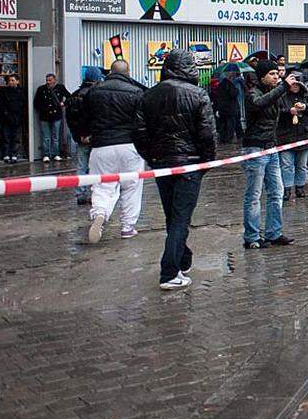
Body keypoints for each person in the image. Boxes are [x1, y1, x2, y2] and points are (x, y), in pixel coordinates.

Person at [133, 50, 216, 291]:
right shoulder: (198, 94)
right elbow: (208, 133)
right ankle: (169, 272)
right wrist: (206, 162)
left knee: (174, 216)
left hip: (162, 164)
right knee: (180, 218)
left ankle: (182, 258)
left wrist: (152, 157)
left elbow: (139, 132)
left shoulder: (149, 95)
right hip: (190, 163)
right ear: (191, 68)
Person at [85, 60, 147, 243]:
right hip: (129, 145)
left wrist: (86, 134)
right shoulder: (136, 92)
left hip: (101, 146)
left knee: (102, 185)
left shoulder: (94, 91)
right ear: (128, 72)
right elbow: (142, 122)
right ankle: (128, 227)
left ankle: (100, 213)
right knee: (132, 186)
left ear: (110, 72)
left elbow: (84, 116)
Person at [242, 60, 297, 248]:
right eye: (272, 74)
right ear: (262, 76)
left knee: (276, 191)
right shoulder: (252, 93)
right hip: (255, 148)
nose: (276, 77)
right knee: (254, 194)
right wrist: (282, 88)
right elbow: (259, 104)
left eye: (277, 74)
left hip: (272, 147)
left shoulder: (275, 92)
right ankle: (252, 237)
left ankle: (274, 232)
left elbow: (279, 108)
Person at [277, 70, 308, 200]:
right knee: (286, 164)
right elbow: (276, 112)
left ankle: (300, 187)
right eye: (292, 84)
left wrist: (305, 107)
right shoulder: (282, 96)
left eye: (297, 84)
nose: (295, 86)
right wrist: (288, 111)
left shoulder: (307, 95)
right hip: (286, 135)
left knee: (302, 164)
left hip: (304, 135)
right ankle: (287, 189)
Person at [66, 66, 104, 204]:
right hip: (96, 138)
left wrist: (79, 135)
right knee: (98, 167)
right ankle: (97, 193)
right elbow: (99, 117)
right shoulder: (98, 95)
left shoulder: (75, 95)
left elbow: (70, 118)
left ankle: (80, 193)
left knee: (82, 166)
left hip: (81, 138)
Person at [33, 73, 69, 162]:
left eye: (50, 80)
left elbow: (69, 97)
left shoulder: (60, 88)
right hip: (44, 116)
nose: (48, 82)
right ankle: (46, 155)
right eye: (47, 80)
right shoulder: (41, 89)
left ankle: (55, 154)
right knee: (46, 137)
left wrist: (63, 103)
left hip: (56, 116)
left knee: (55, 136)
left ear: (54, 80)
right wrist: (42, 109)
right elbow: (36, 103)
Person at [0, 76, 25, 163]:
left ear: (17, 81)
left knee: (16, 137)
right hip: (6, 118)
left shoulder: (21, 91)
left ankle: (14, 155)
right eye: (9, 80)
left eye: (13, 80)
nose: (10, 82)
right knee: (6, 137)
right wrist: (5, 114)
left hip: (17, 117)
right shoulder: (4, 91)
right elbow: (0, 104)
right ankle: (5, 155)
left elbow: (23, 105)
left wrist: (20, 116)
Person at [214, 65, 244, 144]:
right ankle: (227, 140)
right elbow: (233, 94)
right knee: (230, 125)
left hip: (224, 108)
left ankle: (227, 138)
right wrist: (236, 89)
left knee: (226, 125)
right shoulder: (228, 84)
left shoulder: (221, 84)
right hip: (230, 109)